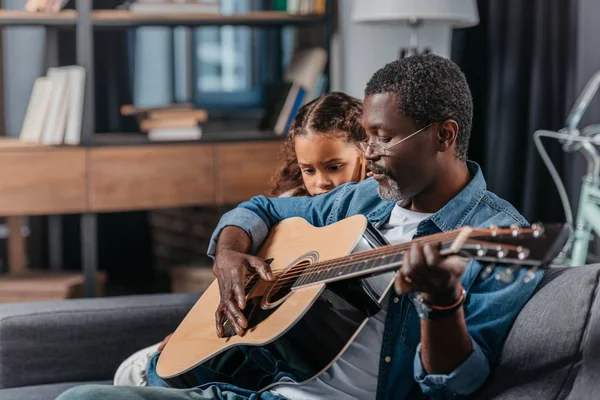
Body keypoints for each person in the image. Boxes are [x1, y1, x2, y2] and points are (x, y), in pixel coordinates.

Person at [58, 54, 542, 400]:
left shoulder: (497, 236)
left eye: (383, 139)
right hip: (248, 387)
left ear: (444, 135)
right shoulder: (359, 201)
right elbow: (259, 209)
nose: (368, 156)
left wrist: (441, 303)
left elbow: (455, 386)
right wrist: (228, 254)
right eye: (366, 138)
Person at [112, 91, 368, 387]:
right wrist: (193, 333)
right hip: (235, 343)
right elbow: (252, 223)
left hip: (288, 358)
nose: (321, 182)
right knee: (145, 373)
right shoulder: (294, 209)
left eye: (335, 167)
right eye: (308, 170)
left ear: (366, 153)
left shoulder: (372, 207)